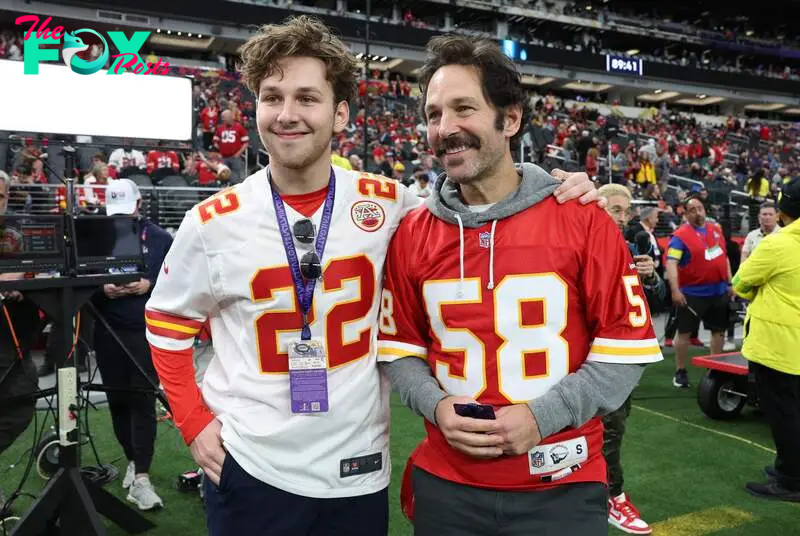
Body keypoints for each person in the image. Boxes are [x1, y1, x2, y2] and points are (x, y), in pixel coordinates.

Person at [144, 15, 600, 536]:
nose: (286, 114)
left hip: (357, 469)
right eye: (272, 97)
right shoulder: (211, 223)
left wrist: (557, 185)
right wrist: (193, 423)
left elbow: (482, 201)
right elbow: (165, 326)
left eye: (306, 98)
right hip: (253, 465)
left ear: (340, 115)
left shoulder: (391, 205)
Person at [376, 35, 662, 536]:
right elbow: (399, 349)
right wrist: (436, 405)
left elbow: (624, 352)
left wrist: (544, 415)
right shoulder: (411, 233)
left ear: (510, 119)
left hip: (562, 481)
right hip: (448, 483)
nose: (445, 128)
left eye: (464, 108)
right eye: (434, 114)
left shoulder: (584, 219)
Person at [92, 179, 173, 510]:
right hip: (108, 330)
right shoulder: (96, 235)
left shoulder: (158, 238)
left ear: (139, 205)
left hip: (143, 331)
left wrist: (148, 284)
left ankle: (142, 475)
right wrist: (101, 287)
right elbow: (80, 282)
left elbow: (175, 281)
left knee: (141, 400)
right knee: (117, 400)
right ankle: (131, 458)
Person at [598, 184, 665, 535]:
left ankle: (603, 492)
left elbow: (659, 299)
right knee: (607, 429)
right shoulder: (585, 243)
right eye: (616, 210)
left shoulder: (627, 248)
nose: (623, 218)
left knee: (612, 427)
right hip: (594, 357)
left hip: (622, 356)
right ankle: (612, 495)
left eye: (626, 211)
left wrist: (652, 278)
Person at [733, 177, 800, 502]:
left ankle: (791, 481)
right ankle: (789, 465)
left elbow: (741, 283)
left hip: (778, 347)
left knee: (783, 414)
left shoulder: (777, 244)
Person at [0, 172, 43, 518]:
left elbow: (39, 269)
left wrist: (25, 281)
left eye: (1, 197)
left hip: (12, 340)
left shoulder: (15, 233)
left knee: (22, 404)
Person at [665, 196, 733, 388]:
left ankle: (715, 368)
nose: (697, 212)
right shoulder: (680, 236)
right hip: (692, 294)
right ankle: (680, 371)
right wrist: (675, 290)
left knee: (718, 331)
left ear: (705, 209)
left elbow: (724, 258)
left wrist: (729, 282)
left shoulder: (716, 230)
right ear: (686, 214)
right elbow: (671, 262)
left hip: (719, 292)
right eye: (692, 209)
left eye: (700, 208)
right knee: (685, 332)